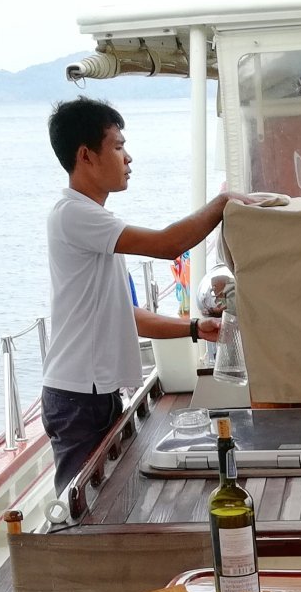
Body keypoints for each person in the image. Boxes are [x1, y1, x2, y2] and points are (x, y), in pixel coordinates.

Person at [42, 97, 244, 491]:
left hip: (90, 393)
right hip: (77, 397)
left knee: (99, 497)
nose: (128, 157)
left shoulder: (89, 219)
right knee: (80, 507)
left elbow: (125, 314)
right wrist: (222, 203)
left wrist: (194, 328)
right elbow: (168, 245)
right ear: (86, 155)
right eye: (118, 146)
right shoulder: (74, 214)